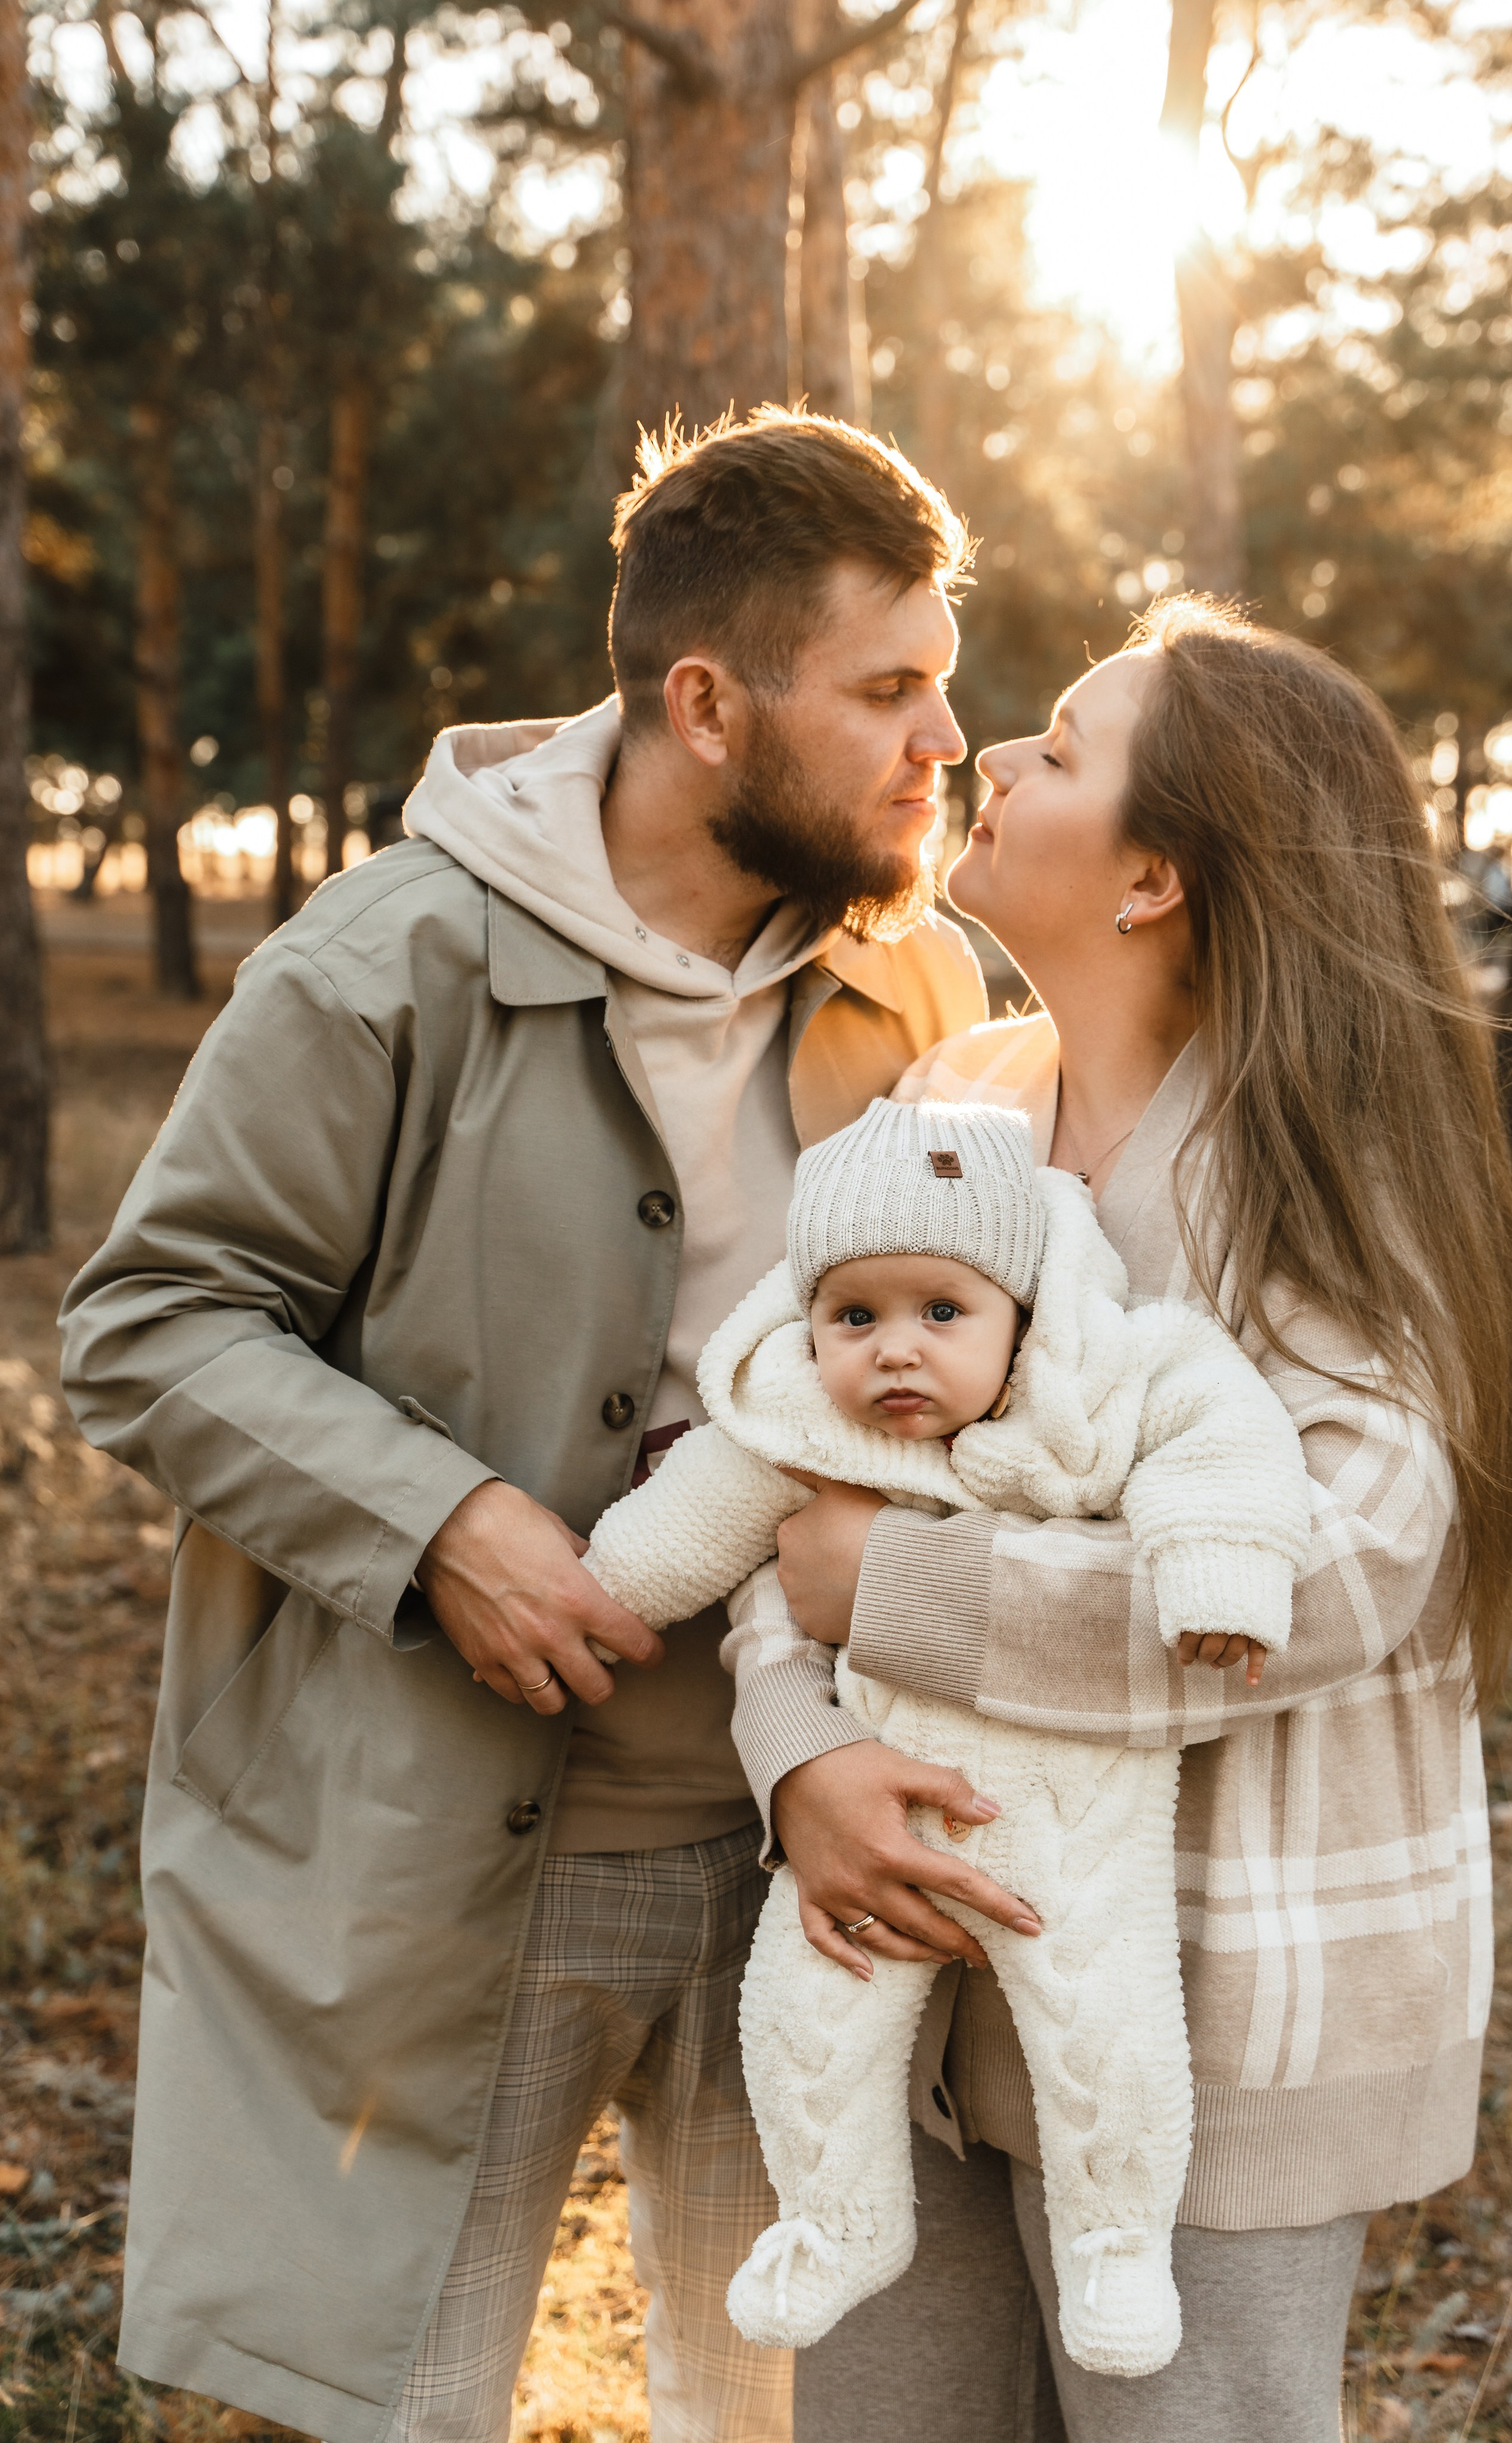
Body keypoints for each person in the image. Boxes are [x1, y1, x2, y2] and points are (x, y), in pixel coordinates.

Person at [55, 408, 994, 2443]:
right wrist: (445, 1520)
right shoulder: (380, 964)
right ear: (705, 702)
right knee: (398, 2402)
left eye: (949, 681)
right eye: (891, 689)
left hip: (809, 1843)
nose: (948, 740)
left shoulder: (931, 987)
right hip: (448, 1853)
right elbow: (147, 1316)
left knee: (782, 2413)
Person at [727, 597, 1512, 2442]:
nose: (990, 760)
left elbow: (1326, 1573)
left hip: (1208, 2011)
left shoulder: (1324, 1183)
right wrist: (798, 1757)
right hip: (912, 1963)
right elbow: (801, 1479)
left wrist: (907, 1594)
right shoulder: (959, 1118)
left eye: (1062, 748)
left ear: (1158, 875)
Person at [577, 1091, 1309, 2374]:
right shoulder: (798, 1417)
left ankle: (1113, 2244)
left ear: (1017, 1314)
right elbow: (689, 1517)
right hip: (873, 1802)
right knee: (802, 2011)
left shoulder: (1104, 1384)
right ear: (807, 1321)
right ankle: (836, 2218)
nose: (894, 1351)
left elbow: (1224, 1436)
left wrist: (1217, 1577)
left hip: (1071, 1806)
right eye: (853, 1316)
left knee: (1106, 2024)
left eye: (940, 1312)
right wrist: (599, 1596)